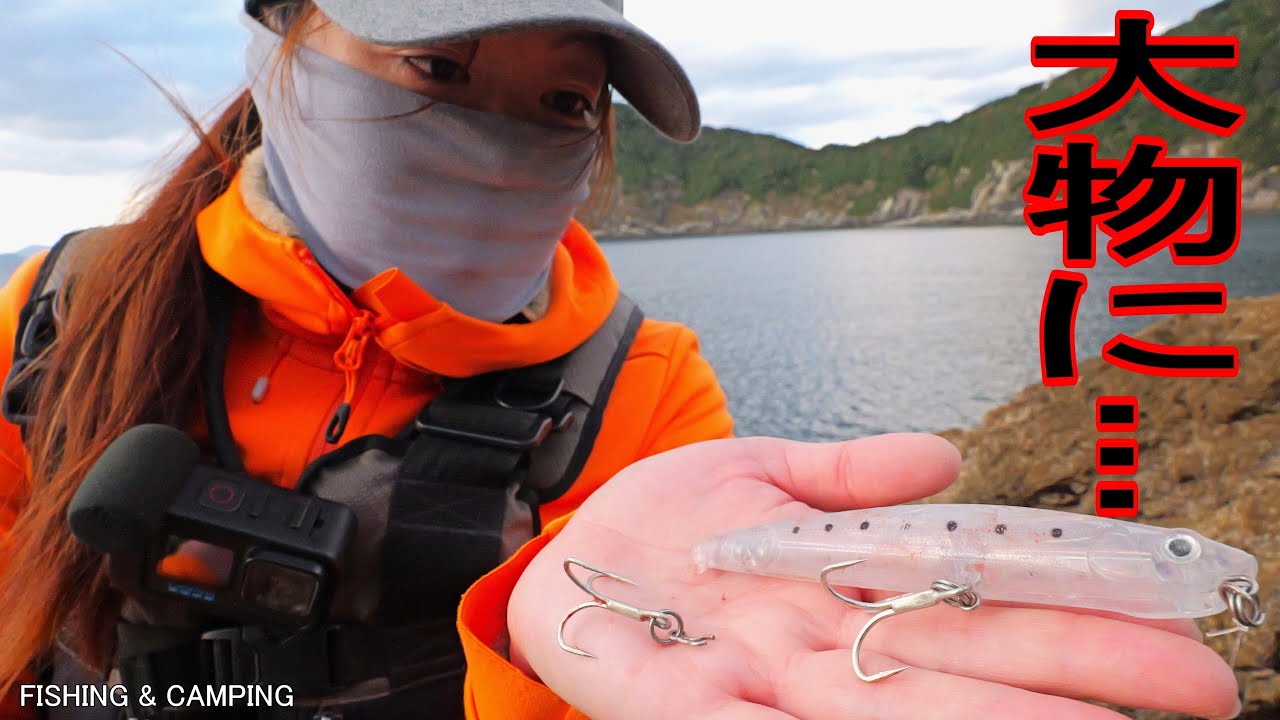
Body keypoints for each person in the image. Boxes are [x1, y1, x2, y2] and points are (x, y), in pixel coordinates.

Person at [0, 2, 1245, 719]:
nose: (492, 139)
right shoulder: (58, 312)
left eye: (558, 106)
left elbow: (665, 669)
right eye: (436, 66)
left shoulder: (648, 388)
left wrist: (541, 655)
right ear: (281, 41)